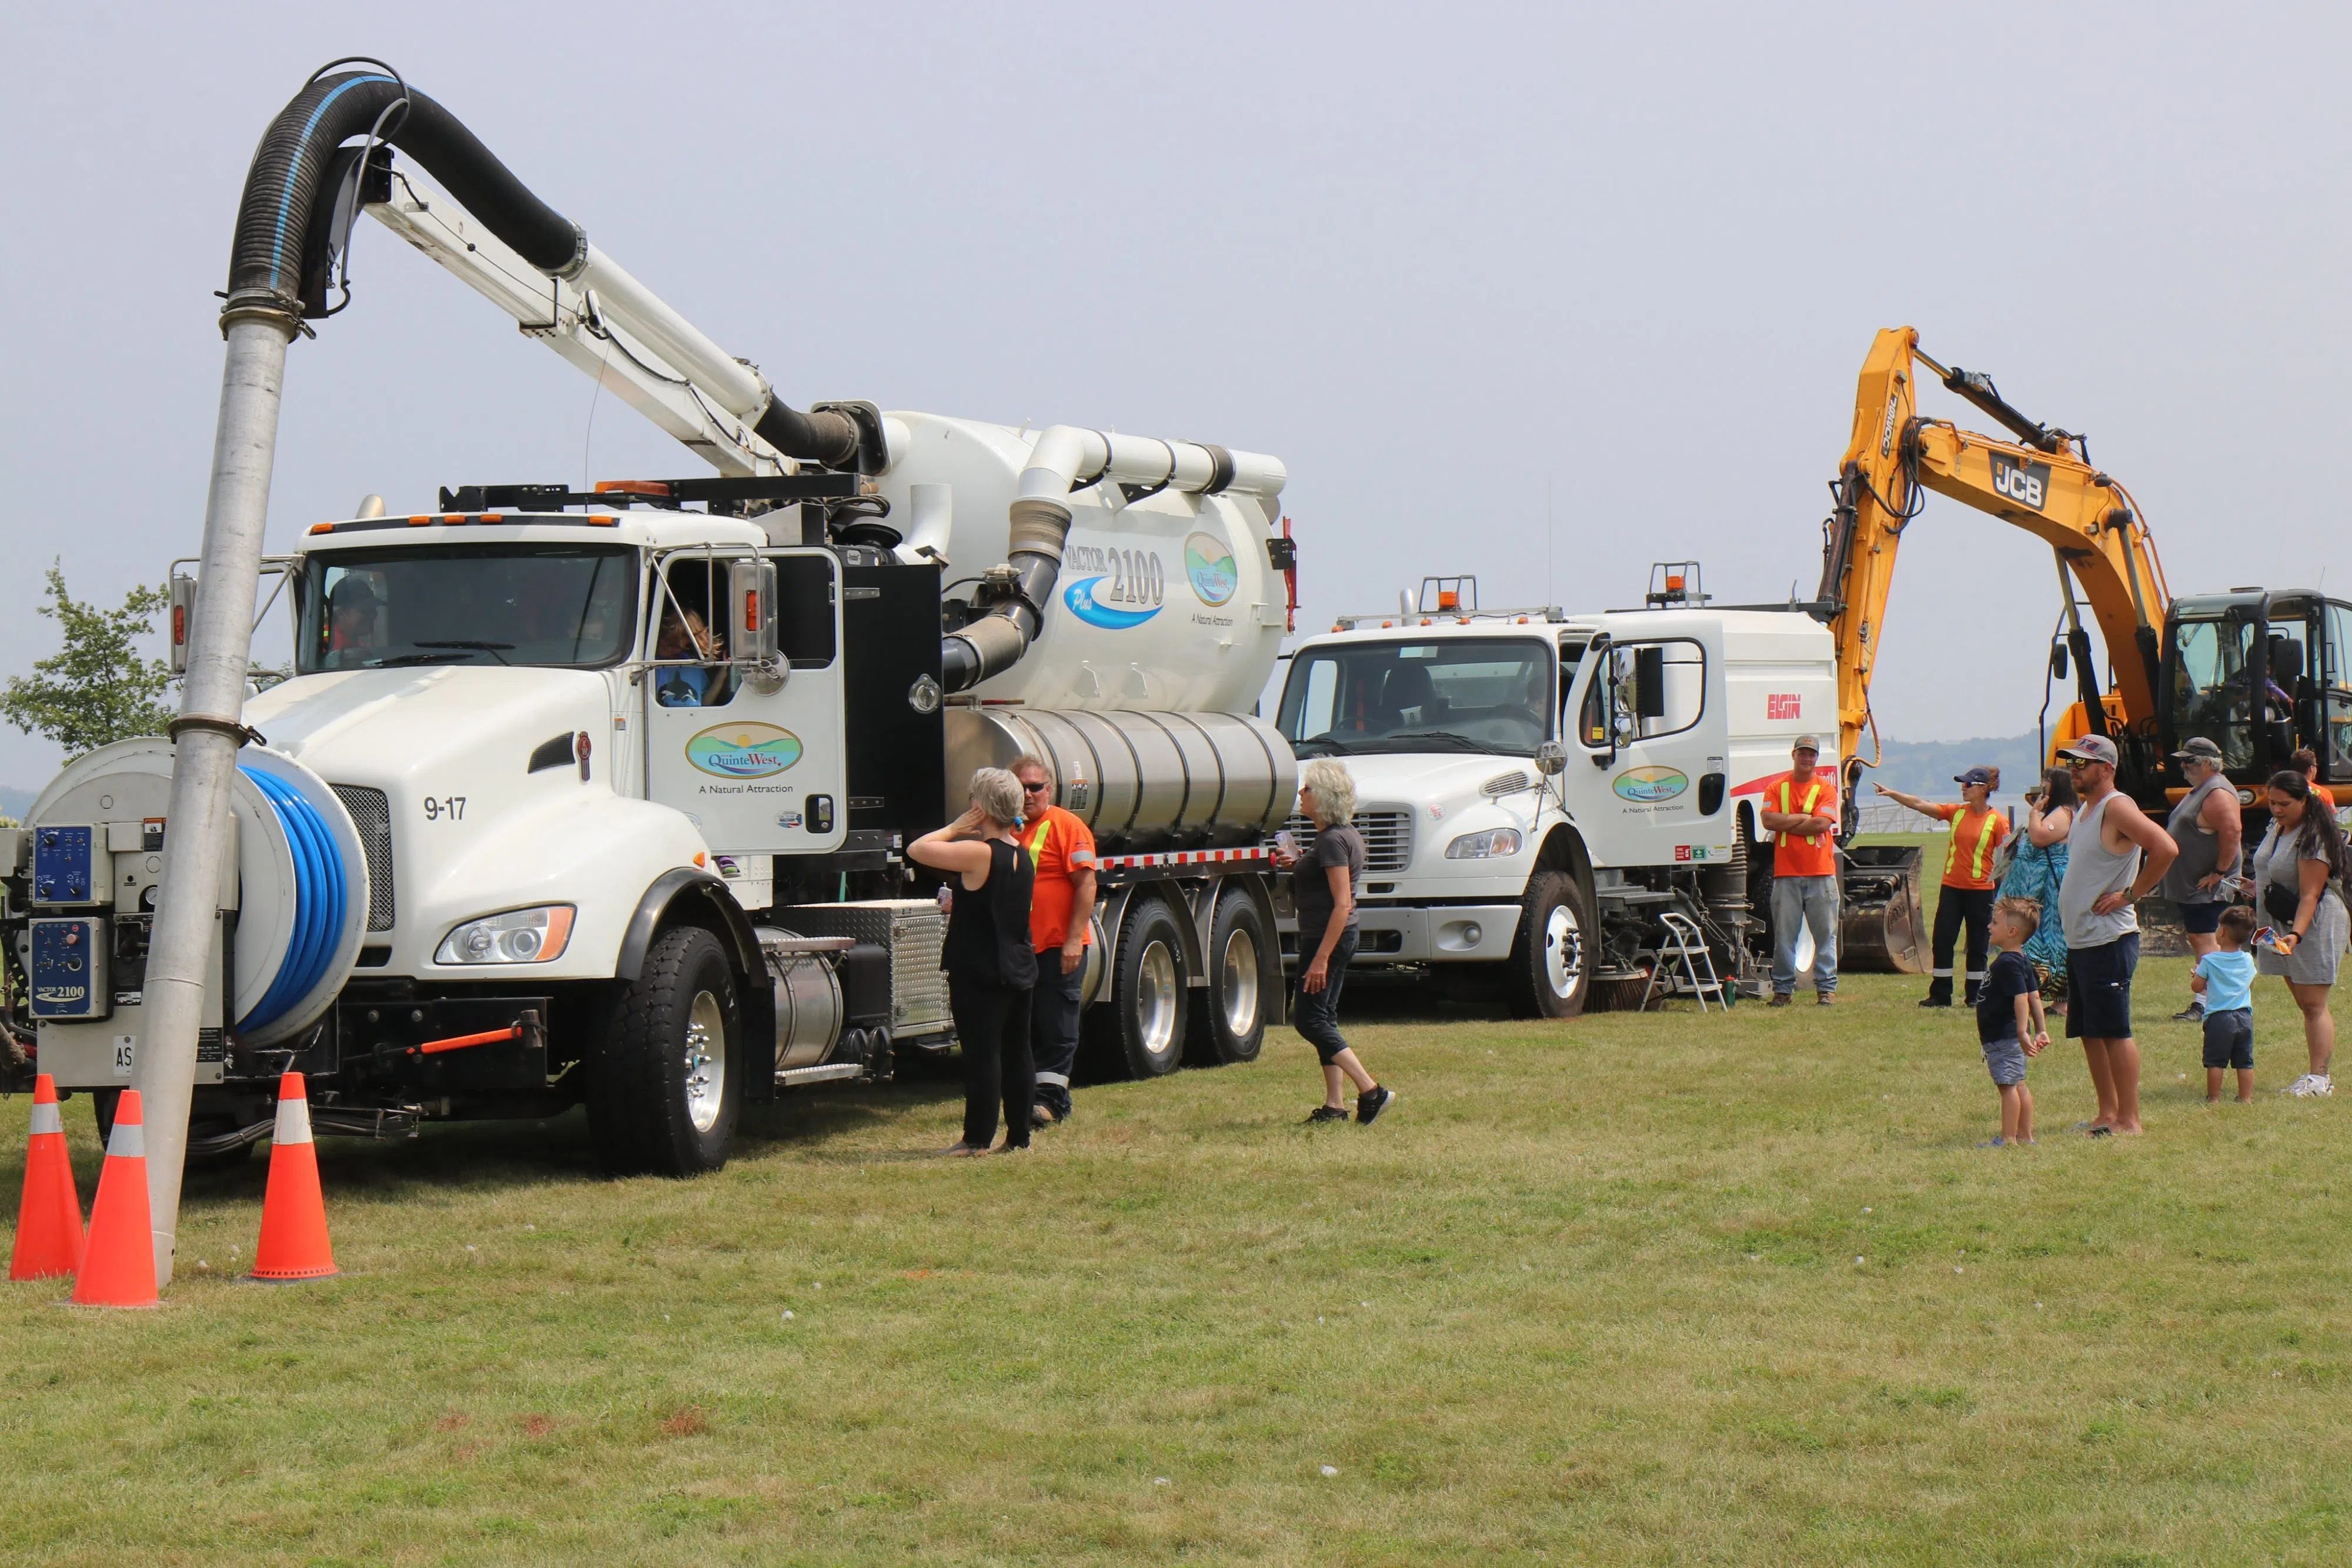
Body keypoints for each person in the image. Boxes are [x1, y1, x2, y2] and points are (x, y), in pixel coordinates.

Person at [910, 768, 1039, 1155]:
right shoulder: (1021, 853)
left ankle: (976, 1138)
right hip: (1018, 966)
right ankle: (1019, 1136)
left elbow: (918, 848)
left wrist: (956, 826)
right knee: (1018, 1052)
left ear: (980, 807)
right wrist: (960, 903)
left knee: (984, 1054)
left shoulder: (979, 851)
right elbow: (994, 903)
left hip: (980, 970)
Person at [2054, 734, 2178, 1136]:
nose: (2075, 769)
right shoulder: (2086, 811)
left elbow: (2165, 847)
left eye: (2083, 763)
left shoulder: (2117, 806)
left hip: (2109, 939)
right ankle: (2106, 1114)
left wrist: (2131, 894)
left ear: (2107, 769)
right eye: (2071, 763)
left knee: (2115, 1029)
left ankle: (2129, 1119)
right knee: (2090, 1029)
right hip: (2083, 939)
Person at [1274, 758, 1395, 1124]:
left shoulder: (1331, 841)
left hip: (1328, 937)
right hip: (1333, 936)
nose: (1301, 793)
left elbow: (1342, 903)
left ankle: (1371, 1091)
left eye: (1307, 789)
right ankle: (1335, 1106)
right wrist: (1298, 863)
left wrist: (1320, 958)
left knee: (1309, 1021)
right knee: (1323, 1017)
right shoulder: (1338, 837)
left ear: (1323, 796)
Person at [1873, 767, 2010, 1006]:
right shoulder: (1955, 812)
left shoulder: (1998, 820)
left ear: (1984, 789)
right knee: (1943, 940)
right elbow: (1919, 804)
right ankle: (1940, 994)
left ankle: (1976, 996)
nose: (1963, 788)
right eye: (1962, 784)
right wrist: (1893, 793)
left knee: (1978, 945)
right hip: (1952, 889)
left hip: (1981, 892)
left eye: (1968, 784)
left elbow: (2008, 856)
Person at [2250, 768, 2348, 1099]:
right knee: (2304, 1002)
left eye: (2285, 804)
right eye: (2272, 803)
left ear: (2305, 801)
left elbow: (2310, 893)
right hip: (2277, 921)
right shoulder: (2277, 827)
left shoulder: (2314, 836)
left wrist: (2296, 935)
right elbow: (2269, 869)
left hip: (2311, 922)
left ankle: (2321, 1079)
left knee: (2313, 1003)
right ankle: (2316, 1075)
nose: (2277, 810)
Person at [1011, 754, 1097, 1128]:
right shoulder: (1005, 829)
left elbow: (1086, 884)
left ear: (1050, 790)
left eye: (1036, 787)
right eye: (1021, 788)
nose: (1029, 794)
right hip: (1019, 950)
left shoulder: (1068, 827)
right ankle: (1028, 1098)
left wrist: (1074, 939)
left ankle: (1050, 1103)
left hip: (1059, 946)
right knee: (1024, 1027)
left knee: (1057, 1027)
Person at [2160, 737, 2243, 1023]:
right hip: (2193, 884)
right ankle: (2212, 1000)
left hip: (2207, 886)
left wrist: (2219, 873)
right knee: (2202, 939)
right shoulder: (2202, 789)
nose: (2183, 765)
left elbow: (2232, 831)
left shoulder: (2217, 793)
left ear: (2208, 763)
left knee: (2208, 940)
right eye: (2182, 760)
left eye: (2189, 760)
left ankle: (2207, 1003)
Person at [1760, 735, 1839, 1007]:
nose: (1807, 759)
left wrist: (1786, 823)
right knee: (1784, 936)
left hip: (1821, 873)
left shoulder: (1826, 789)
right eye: (1802, 753)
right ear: (1793, 755)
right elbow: (1768, 820)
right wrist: (1802, 819)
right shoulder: (1776, 788)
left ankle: (1826, 991)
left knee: (1825, 935)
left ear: (1816, 759)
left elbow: (1821, 825)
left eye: (1812, 755)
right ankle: (1783, 991)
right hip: (1786, 874)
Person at [1975, 895, 2050, 1147]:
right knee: (2018, 1084)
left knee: (2008, 1087)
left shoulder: (2008, 963)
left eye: (1995, 923)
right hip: (2007, 1037)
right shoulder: (2021, 958)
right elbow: (2035, 996)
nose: (1989, 927)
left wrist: (2022, 1032)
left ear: (2012, 931)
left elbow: (2022, 999)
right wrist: (2041, 1029)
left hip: (2004, 1037)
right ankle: (2026, 1137)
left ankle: (2009, 1139)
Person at [1996, 766, 2074, 1005]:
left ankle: (2060, 1000)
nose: (2043, 784)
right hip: (2033, 888)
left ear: (2058, 785)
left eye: (2047, 780)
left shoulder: (2063, 812)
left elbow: (2040, 838)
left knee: (2052, 940)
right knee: (2030, 938)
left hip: (2047, 891)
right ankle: (2030, 994)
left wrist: (2033, 814)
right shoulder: (2052, 811)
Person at [2191, 905, 2259, 1104]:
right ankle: (2246, 1097)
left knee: (2215, 1062)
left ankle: (2213, 1098)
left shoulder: (2209, 961)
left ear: (2222, 932)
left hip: (2219, 1018)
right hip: (2244, 1017)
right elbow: (2250, 985)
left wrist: (2196, 976)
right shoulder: (2247, 959)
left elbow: (2197, 987)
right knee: (2245, 1061)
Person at [653, 606, 722, 707]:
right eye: (669, 642)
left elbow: (704, 703)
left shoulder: (693, 664)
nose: (674, 649)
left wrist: (723, 674)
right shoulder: (651, 666)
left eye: (680, 646)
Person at [322, 575, 383, 668]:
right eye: (365, 611)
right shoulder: (325, 647)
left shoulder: (358, 643)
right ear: (341, 613)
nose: (373, 615)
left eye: (373, 609)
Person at [2290, 748, 2337, 812]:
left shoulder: (2284, 789)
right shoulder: (2324, 793)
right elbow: (2333, 817)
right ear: (2311, 768)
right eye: (2316, 766)